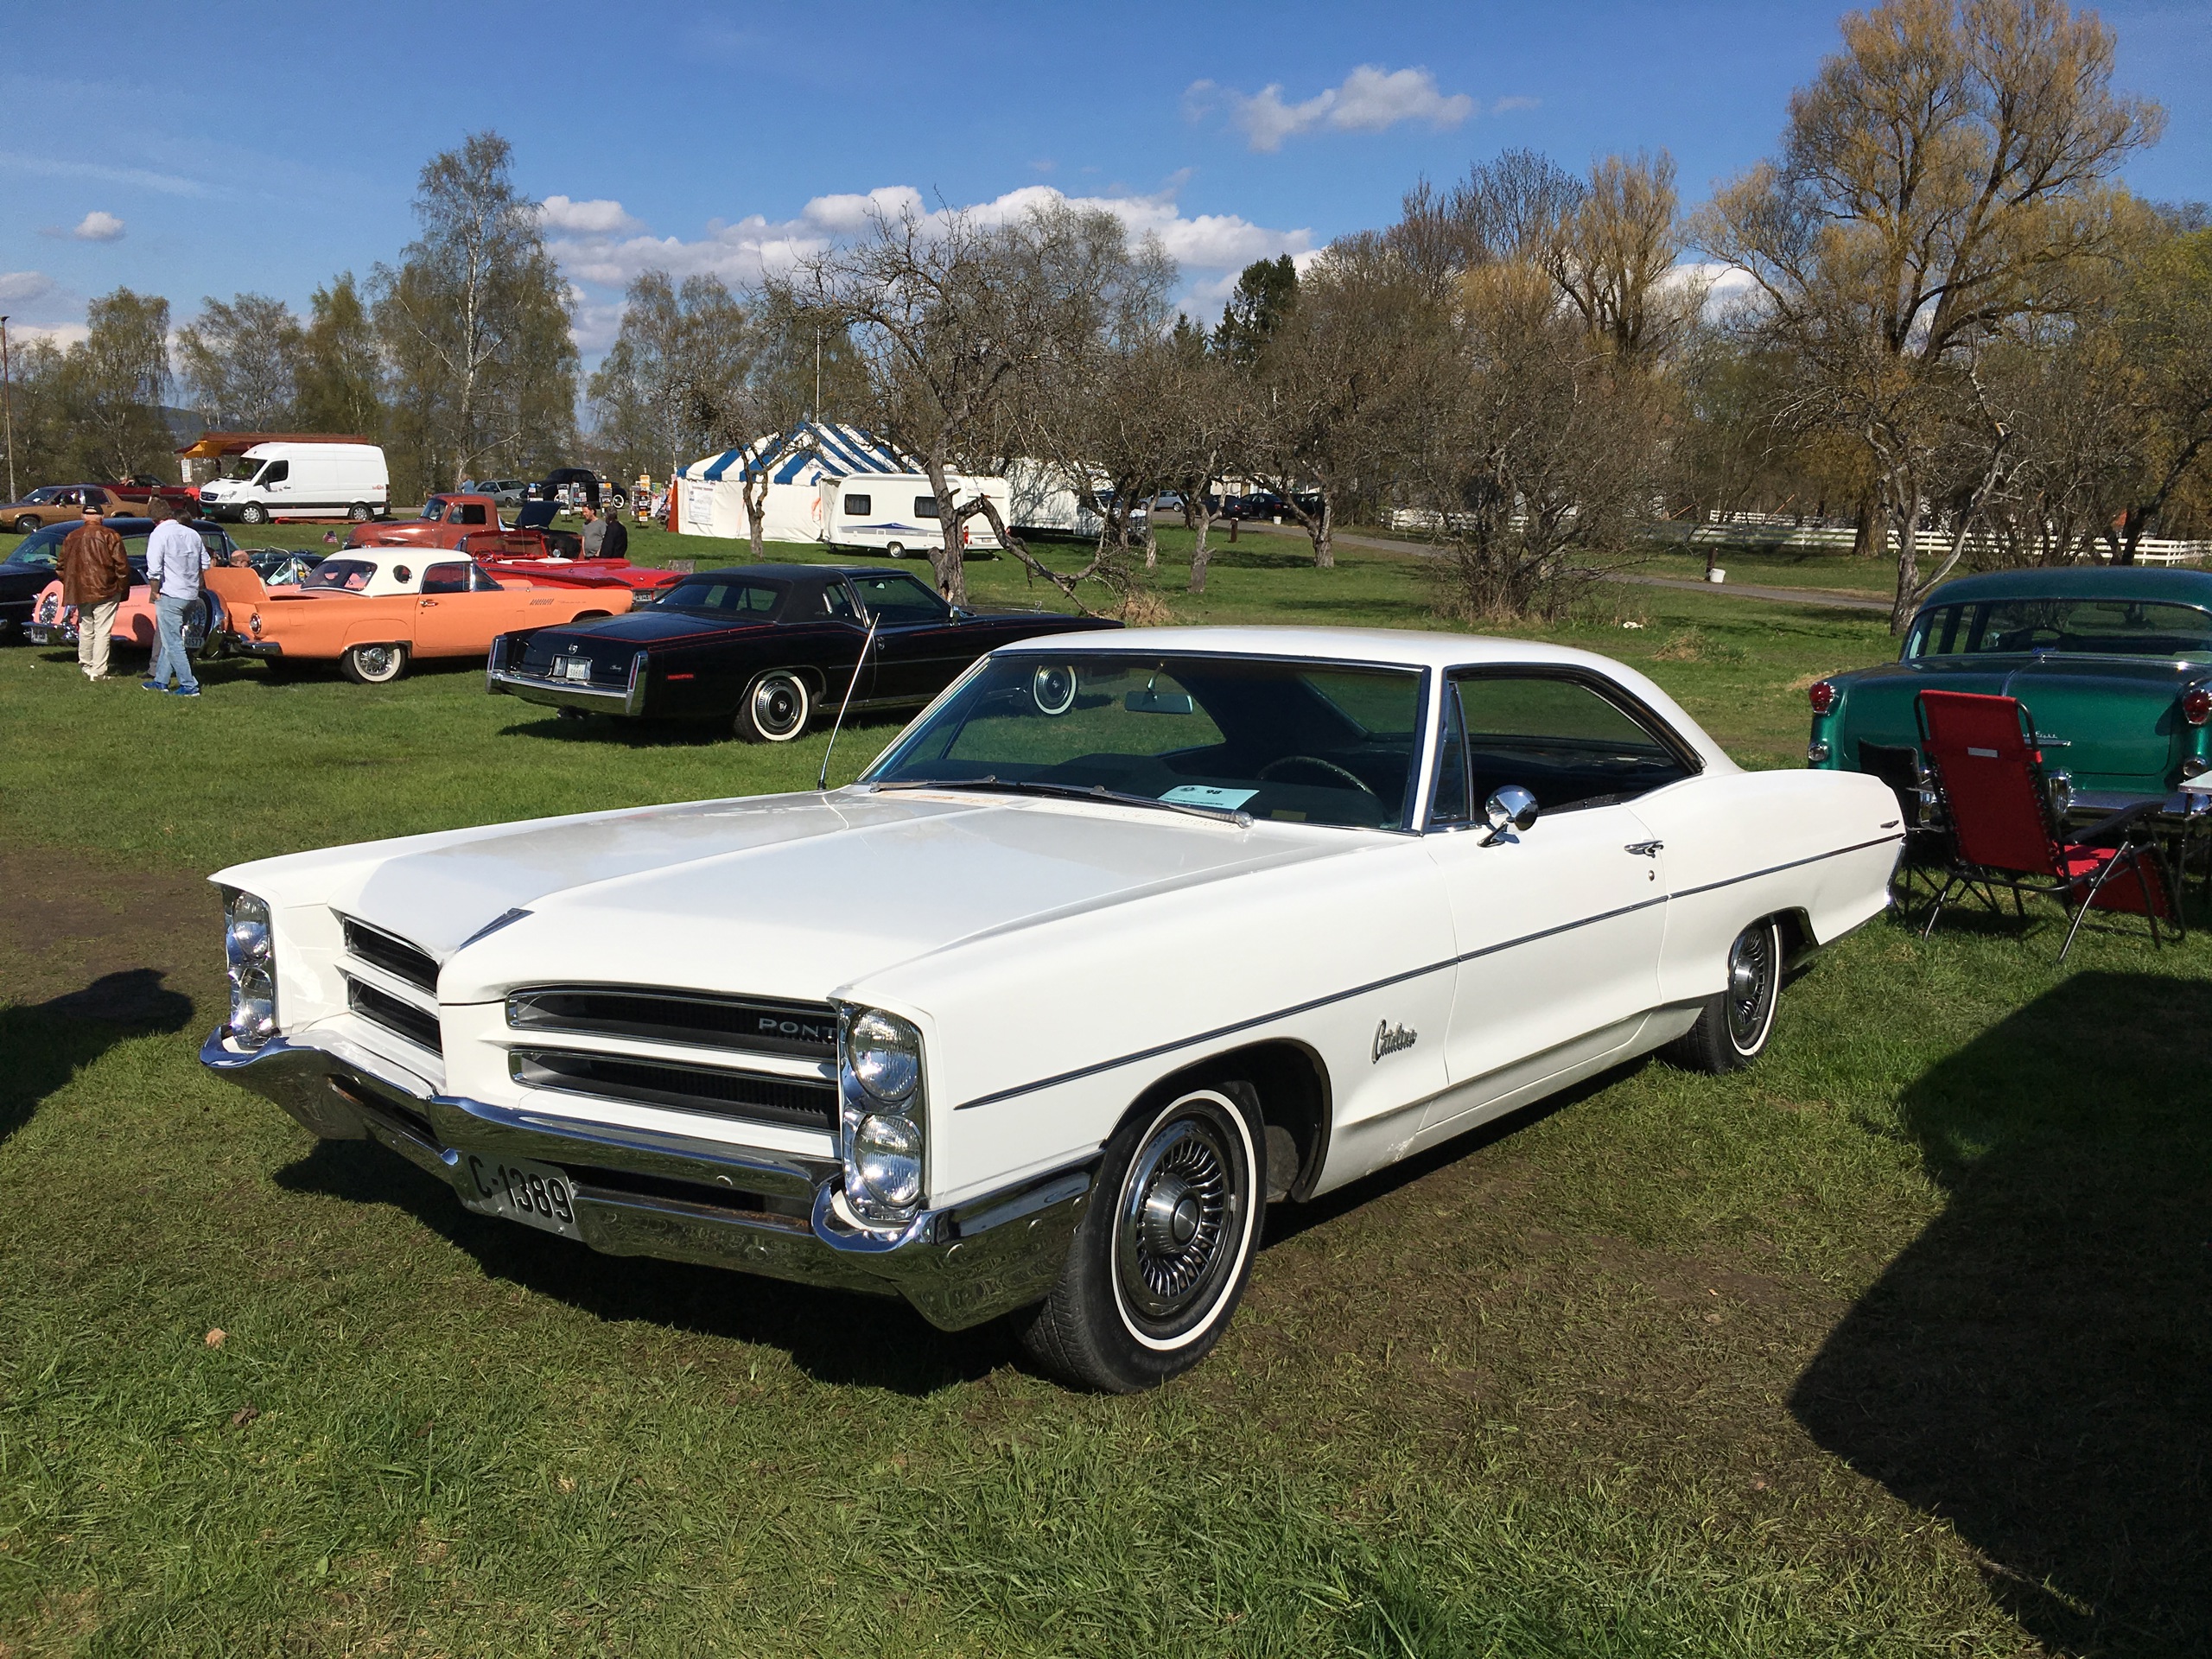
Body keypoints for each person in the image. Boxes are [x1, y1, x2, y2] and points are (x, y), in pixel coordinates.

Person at [143, 498, 211, 697]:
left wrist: (154, 591)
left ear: (154, 519)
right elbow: (205, 563)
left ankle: (189, 685)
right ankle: (161, 680)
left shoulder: (159, 534)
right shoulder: (192, 533)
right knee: (169, 638)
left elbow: (154, 569)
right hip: (191, 594)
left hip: (170, 593)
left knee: (173, 642)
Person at [59, 499, 131, 681]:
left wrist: (72, 582)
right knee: (102, 630)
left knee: (86, 627)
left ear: (83, 516)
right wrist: (121, 588)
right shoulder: (111, 535)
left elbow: (60, 567)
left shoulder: (71, 537)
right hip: (106, 588)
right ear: (102, 517)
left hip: (81, 590)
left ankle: (86, 665)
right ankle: (98, 671)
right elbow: (122, 566)